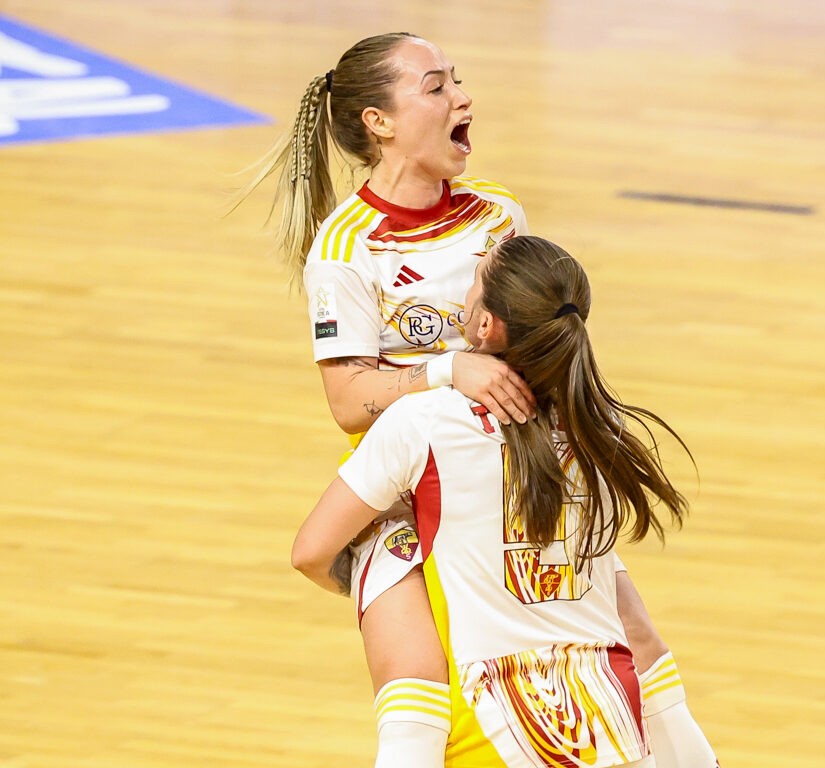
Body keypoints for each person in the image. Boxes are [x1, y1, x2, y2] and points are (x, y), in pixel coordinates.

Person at [242, 33, 715, 767]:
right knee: (415, 686)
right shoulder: (345, 249)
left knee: (633, 630)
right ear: (381, 121)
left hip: (512, 463)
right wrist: (446, 373)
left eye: (456, 82)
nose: (462, 98)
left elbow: (539, 337)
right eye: (436, 87)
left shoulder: (499, 217)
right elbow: (346, 401)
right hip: (399, 487)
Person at [294, 235, 710, 768]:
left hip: (502, 730)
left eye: (473, 279)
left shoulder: (422, 422)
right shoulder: (596, 425)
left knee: (385, 544)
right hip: (614, 724)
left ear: (485, 326)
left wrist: (392, 593)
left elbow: (311, 552)